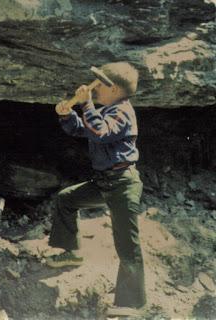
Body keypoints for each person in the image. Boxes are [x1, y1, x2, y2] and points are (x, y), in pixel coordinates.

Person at [47, 62, 146, 315]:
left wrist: (86, 104)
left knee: (127, 245)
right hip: (104, 182)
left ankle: (131, 305)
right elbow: (85, 130)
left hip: (123, 184)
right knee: (66, 199)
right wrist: (67, 115)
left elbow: (100, 132)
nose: (95, 88)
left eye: (99, 84)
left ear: (113, 89)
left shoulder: (122, 111)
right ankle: (70, 253)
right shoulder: (108, 110)